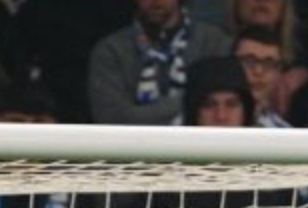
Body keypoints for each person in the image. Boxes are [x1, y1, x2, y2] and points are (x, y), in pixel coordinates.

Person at [88, 0, 235, 126]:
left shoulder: (215, 42)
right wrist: (189, 98)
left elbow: (227, 113)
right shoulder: (111, 50)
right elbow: (112, 120)